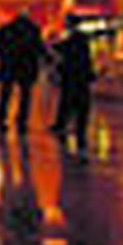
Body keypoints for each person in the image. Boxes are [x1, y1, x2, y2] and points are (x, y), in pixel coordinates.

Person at [0, 9, 46, 133]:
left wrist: (4, 57)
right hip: (27, 66)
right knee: (25, 95)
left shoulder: (6, 29)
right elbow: (39, 48)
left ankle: (1, 116)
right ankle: (22, 119)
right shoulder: (33, 30)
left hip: (10, 65)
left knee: (6, 92)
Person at [50, 12, 95, 158]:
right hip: (80, 75)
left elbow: (61, 49)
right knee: (78, 102)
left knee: (69, 100)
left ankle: (65, 124)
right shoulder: (82, 39)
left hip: (72, 75)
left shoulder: (73, 38)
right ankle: (75, 127)